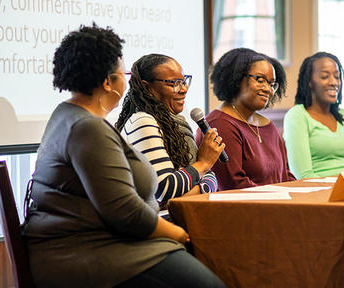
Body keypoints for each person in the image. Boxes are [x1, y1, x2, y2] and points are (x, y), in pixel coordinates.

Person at [23, 24, 226, 288]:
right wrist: (180, 234)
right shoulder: (87, 128)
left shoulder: (72, 117)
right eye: (123, 73)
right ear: (108, 82)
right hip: (92, 254)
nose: (126, 80)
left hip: (107, 243)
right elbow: (127, 214)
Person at [115, 54, 223, 205]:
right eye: (175, 83)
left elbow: (211, 178)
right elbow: (164, 190)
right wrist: (204, 163)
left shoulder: (176, 124)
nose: (184, 89)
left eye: (184, 81)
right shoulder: (143, 122)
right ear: (147, 88)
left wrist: (198, 182)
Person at [197, 48, 295, 190]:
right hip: (245, 209)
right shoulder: (219, 124)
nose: (268, 89)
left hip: (276, 206)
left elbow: (285, 175)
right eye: (260, 80)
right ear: (237, 79)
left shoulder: (269, 126)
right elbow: (234, 185)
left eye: (272, 83)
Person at [283, 52, 344, 179]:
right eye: (324, 77)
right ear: (309, 82)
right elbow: (303, 176)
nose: (334, 82)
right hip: (317, 193)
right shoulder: (297, 116)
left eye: (337, 77)